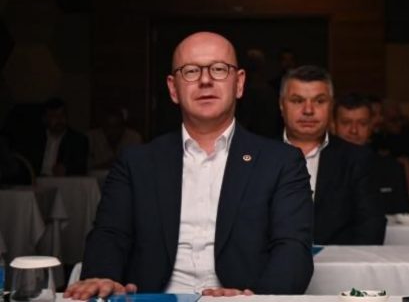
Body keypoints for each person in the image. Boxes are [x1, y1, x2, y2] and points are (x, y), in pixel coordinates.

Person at [65, 31, 313, 299]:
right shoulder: (136, 163)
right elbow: (109, 235)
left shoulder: (281, 162)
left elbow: (293, 248)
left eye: (219, 69)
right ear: (173, 89)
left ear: (239, 83)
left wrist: (254, 298)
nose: (205, 80)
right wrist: (103, 278)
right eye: (191, 71)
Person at [280, 66, 386, 245]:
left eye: (319, 101)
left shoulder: (357, 159)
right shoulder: (256, 156)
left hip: (341, 260)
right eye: (297, 101)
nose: (308, 110)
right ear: (282, 105)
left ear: (331, 106)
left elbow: (371, 227)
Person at [333, 92, 409, 214]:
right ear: (333, 125)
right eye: (346, 123)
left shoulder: (392, 169)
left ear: (370, 127)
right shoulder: (318, 166)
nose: (354, 130)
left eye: (362, 123)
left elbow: (404, 218)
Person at [29, 97, 89, 176]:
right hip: (37, 181)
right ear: (45, 119)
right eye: (53, 115)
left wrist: (66, 169)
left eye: (62, 114)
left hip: (62, 182)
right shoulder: (35, 139)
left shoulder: (78, 140)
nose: (59, 119)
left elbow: (82, 167)